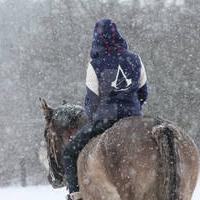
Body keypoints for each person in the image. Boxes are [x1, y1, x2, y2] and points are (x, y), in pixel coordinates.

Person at [62, 19, 148, 200]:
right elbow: (143, 92)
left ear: (96, 40)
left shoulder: (95, 65)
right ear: (119, 36)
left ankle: (76, 194)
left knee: (69, 151)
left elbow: (91, 101)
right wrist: (133, 110)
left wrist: (93, 117)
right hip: (134, 119)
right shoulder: (135, 59)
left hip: (106, 119)